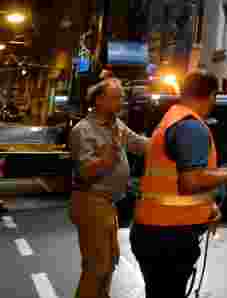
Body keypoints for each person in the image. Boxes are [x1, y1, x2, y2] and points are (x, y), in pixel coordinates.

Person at [130, 70, 227, 298]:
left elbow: (177, 181)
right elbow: (191, 181)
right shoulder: (191, 127)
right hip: (169, 236)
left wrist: (209, 207)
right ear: (211, 96)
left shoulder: (171, 119)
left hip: (153, 230)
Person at [68, 78, 150, 298]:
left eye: (122, 97)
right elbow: (85, 171)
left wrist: (166, 139)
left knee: (108, 263)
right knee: (96, 267)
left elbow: (139, 144)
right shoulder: (83, 130)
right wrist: (105, 159)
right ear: (99, 100)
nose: (121, 102)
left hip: (107, 204)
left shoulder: (117, 125)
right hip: (90, 201)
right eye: (116, 97)